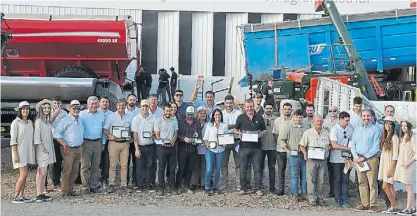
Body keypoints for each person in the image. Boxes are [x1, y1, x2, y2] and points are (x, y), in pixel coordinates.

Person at [351, 109, 381, 212]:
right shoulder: (357, 129)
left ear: (371, 117)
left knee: (372, 183)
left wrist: (364, 157)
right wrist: (356, 158)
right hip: (359, 159)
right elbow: (353, 145)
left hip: (371, 159)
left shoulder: (375, 130)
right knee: (361, 182)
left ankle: (373, 205)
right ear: (361, 117)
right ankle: (364, 204)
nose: (366, 118)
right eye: (364, 116)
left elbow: (376, 147)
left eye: (368, 116)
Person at [234, 99, 267, 196]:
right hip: (244, 147)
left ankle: (257, 188)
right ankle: (243, 188)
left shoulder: (259, 117)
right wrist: (239, 133)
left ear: (253, 106)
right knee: (243, 168)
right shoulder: (240, 117)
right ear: (244, 107)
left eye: (251, 106)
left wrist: (261, 133)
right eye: (247, 107)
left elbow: (264, 130)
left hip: (257, 147)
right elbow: (235, 130)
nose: (249, 109)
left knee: (257, 169)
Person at [53, 100, 84, 197]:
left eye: (78, 108)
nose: (76, 110)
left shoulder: (80, 119)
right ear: (70, 109)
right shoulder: (65, 120)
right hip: (69, 148)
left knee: (75, 170)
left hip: (78, 148)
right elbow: (56, 133)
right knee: (67, 170)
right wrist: (64, 144)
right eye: (74, 108)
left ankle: (70, 190)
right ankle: (65, 191)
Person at [103, 98, 135, 193]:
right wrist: (109, 135)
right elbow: (105, 129)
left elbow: (132, 130)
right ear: (116, 106)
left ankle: (123, 185)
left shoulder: (130, 116)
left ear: (125, 106)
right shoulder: (110, 116)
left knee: (124, 165)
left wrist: (130, 137)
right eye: (119, 105)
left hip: (125, 143)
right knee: (112, 165)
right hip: (114, 143)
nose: (121, 107)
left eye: (123, 105)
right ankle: (111, 184)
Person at [299, 115, 331, 206]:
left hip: (323, 159)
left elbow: (331, 144)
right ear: (313, 122)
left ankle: (320, 199)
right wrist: (305, 153)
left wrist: (329, 148)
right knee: (311, 180)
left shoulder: (327, 133)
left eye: (321, 121)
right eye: (317, 121)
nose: (319, 122)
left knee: (321, 180)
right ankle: (312, 199)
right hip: (311, 160)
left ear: (323, 122)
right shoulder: (308, 133)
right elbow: (301, 145)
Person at [280, 109, 309, 201]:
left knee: (305, 175)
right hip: (293, 154)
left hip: (304, 154)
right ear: (294, 116)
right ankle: (294, 193)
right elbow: (281, 139)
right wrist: (286, 149)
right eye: (297, 117)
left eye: (300, 117)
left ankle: (304, 193)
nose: (298, 119)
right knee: (294, 175)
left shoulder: (306, 127)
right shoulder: (288, 126)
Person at [10, 101, 36, 203]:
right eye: (23, 109)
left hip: (27, 151)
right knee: (23, 173)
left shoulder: (30, 122)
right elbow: (13, 140)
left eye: (27, 109)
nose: (25, 110)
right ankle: (16, 196)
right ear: (20, 110)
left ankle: (21, 195)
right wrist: (15, 154)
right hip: (19, 152)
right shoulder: (15, 123)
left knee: (25, 174)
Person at [79, 96, 105, 194]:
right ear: (88, 104)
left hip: (98, 142)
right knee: (85, 165)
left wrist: (103, 143)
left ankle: (94, 185)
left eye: (95, 103)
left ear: (98, 104)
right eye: (91, 103)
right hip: (86, 142)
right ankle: (85, 186)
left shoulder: (101, 114)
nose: (93, 105)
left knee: (96, 165)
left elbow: (103, 129)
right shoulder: (82, 114)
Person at [131, 100, 157, 192]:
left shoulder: (154, 118)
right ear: (140, 107)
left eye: (146, 106)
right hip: (140, 146)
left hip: (150, 145)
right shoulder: (136, 119)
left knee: (149, 166)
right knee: (139, 166)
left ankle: (148, 185)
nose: (144, 108)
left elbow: (156, 131)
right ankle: (139, 185)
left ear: (149, 107)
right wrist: (136, 149)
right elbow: (135, 135)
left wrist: (154, 133)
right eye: (143, 106)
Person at [329, 111, 353, 208]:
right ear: (341, 119)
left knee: (345, 180)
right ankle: (337, 199)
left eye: (348, 120)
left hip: (346, 159)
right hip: (336, 160)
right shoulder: (334, 129)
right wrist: (348, 148)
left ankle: (345, 199)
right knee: (337, 179)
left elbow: (352, 141)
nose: (348, 122)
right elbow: (334, 145)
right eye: (346, 120)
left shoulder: (350, 129)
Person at [176, 106, 202, 194]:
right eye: (188, 114)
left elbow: (200, 137)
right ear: (186, 114)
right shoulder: (181, 122)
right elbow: (177, 135)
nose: (190, 116)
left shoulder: (197, 123)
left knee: (190, 169)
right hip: (183, 149)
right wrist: (183, 138)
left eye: (191, 114)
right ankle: (178, 186)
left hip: (193, 150)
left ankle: (186, 186)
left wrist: (196, 140)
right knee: (181, 168)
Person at [154, 104, 178, 196]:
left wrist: (173, 141)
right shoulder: (158, 121)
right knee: (161, 169)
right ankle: (161, 188)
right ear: (164, 111)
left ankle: (172, 187)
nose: (168, 112)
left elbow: (176, 133)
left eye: (169, 111)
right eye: (166, 111)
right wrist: (161, 141)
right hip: (162, 147)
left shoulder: (174, 120)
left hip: (171, 147)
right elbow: (157, 134)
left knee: (172, 168)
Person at [34, 99, 55, 202]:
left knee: (41, 172)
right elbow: (37, 138)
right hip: (43, 150)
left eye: (48, 108)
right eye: (44, 108)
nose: (46, 109)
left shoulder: (46, 122)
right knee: (42, 172)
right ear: (41, 109)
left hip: (47, 149)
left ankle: (41, 192)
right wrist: (43, 149)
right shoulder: (39, 122)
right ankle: (39, 194)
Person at [394, 120, 416, 215]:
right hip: (402, 166)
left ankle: (408, 208)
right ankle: (413, 207)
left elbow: (416, 154)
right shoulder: (402, 137)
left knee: (409, 186)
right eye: (402, 125)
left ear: (409, 127)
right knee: (407, 186)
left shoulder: (413, 137)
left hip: (409, 166)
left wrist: (408, 163)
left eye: (405, 126)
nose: (403, 127)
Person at [378, 116, 399, 214]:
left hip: (390, 164)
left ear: (392, 125)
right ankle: (393, 206)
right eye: (386, 123)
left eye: (389, 124)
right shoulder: (386, 136)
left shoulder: (394, 137)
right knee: (390, 187)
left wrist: (391, 168)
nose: (387, 125)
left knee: (385, 186)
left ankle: (393, 205)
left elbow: (395, 155)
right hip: (384, 163)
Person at [203, 109, 227, 195]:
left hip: (220, 150)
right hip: (210, 150)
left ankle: (215, 187)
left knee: (217, 170)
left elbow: (226, 137)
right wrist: (207, 145)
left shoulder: (224, 126)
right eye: (216, 115)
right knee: (209, 169)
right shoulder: (209, 125)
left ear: (221, 116)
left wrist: (225, 143)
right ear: (213, 116)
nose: (217, 116)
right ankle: (207, 186)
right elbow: (205, 138)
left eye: (219, 115)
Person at [221, 95, 242, 191]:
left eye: (230, 103)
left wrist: (229, 127)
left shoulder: (238, 113)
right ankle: (225, 184)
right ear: (224, 103)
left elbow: (240, 124)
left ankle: (239, 184)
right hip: (225, 141)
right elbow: (221, 127)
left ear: (233, 103)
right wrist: (234, 127)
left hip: (236, 141)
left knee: (238, 164)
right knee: (224, 164)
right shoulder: (221, 114)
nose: (229, 105)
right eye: (227, 103)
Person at [272, 102, 293, 195]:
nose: (287, 111)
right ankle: (281, 189)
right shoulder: (277, 120)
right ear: (282, 110)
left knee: (293, 170)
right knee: (281, 169)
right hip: (280, 149)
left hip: (292, 149)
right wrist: (281, 144)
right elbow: (275, 134)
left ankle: (294, 190)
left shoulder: (294, 120)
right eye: (285, 109)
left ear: (291, 110)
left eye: (289, 109)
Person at [260, 102, 278, 194]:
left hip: (273, 146)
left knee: (272, 168)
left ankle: (272, 187)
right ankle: (259, 186)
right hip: (261, 146)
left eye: (270, 108)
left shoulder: (276, 120)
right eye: (267, 108)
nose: (268, 110)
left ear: (273, 109)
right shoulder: (259, 118)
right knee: (260, 167)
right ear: (264, 108)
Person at [50, 96, 67, 192]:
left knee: (59, 161)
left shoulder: (64, 113)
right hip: (51, 138)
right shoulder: (49, 112)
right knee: (50, 162)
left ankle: (57, 182)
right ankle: (51, 183)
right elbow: (48, 123)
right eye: (55, 103)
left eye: (58, 103)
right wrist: (55, 114)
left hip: (60, 139)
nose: (57, 105)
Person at [98, 96, 113, 188]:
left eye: (106, 102)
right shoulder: (96, 113)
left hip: (108, 141)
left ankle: (104, 179)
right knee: (96, 162)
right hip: (97, 140)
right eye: (103, 102)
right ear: (99, 103)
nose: (104, 103)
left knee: (107, 161)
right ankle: (96, 179)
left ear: (109, 104)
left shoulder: (112, 114)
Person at [191, 107, 208, 189]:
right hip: (196, 148)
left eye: (204, 113)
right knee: (195, 166)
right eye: (200, 113)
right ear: (197, 114)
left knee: (204, 166)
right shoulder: (194, 124)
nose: (202, 115)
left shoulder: (209, 125)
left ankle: (203, 183)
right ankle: (194, 183)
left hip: (205, 148)